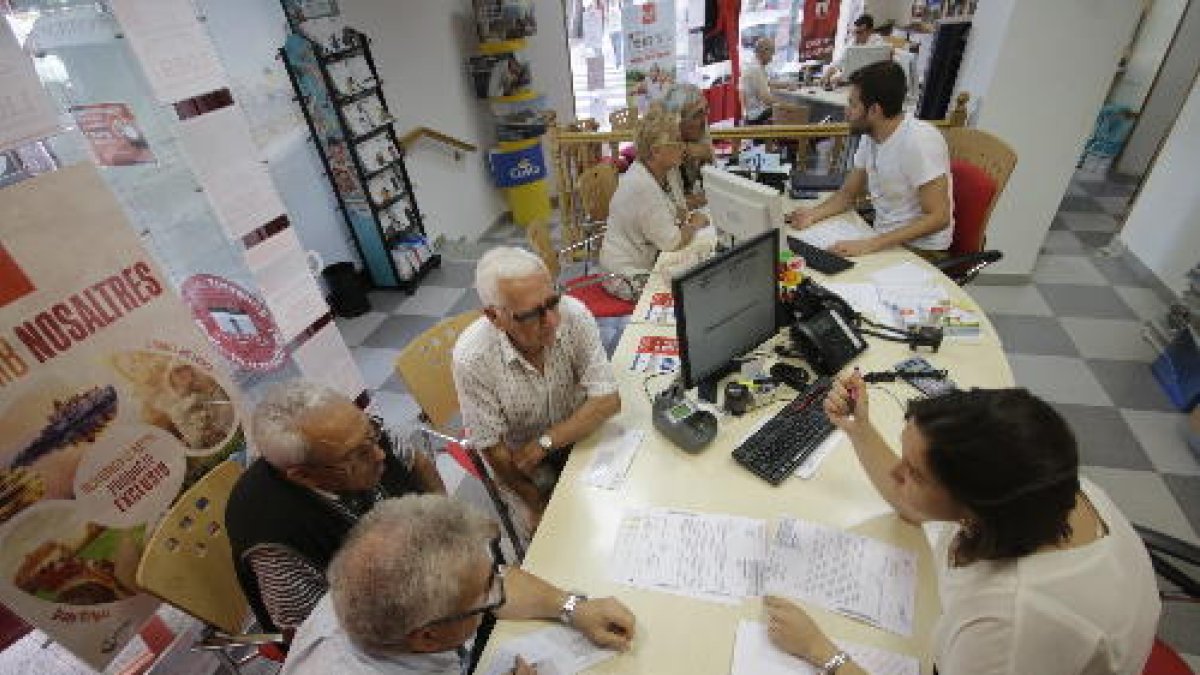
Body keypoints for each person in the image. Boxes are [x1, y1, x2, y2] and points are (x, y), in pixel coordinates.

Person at [764, 379, 1160, 675]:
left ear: (972, 507)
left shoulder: (1009, 621)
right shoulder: (1041, 487)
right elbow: (911, 502)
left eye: (914, 473)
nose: (897, 474)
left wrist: (820, 649)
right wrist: (860, 430)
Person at [282, 495, 636, 674]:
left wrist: (573, 606)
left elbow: (489, 579)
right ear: (428, 637)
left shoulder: (370, 581)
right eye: (489, 594)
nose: (501, 589)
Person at [225, 380, 446, 634]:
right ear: (304, 476)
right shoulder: (274, 538)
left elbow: (417, 462)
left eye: (371, 434)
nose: (379, 454)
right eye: (357, 456)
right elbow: (311, 631)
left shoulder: (356, 434)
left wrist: (442, 516)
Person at [452, 247, 621, 522]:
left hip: (578, 431)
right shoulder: (472, 359)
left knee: (613, 509)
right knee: (550, 540)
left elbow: (607, 400)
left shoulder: (574, 314)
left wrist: (544, 443)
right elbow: (494, 451)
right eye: (531, 315)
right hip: (525, 464)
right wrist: (535, 503)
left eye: (552, 301)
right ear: (494, 317)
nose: (552, 321)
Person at [787, 60, 953, 257]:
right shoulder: (871, 136)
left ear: (874, 110)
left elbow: (939, 217)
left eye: (853, 105)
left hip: (921, 249)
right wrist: (812, 215)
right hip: (883, 236)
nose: (846, 111)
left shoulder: (920, 141)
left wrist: (871, 244)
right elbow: (848, 193)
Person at [599, 110, 710, 300]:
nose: (683, 147)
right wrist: (695, 224)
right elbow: (672, 241)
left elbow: (681, 211)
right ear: (656, 151)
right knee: (695, 293)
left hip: (649, 258)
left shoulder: (667, 170)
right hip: (626, 275)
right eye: (676, 142)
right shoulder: (641, 185)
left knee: (701, 266)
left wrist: (686, 222)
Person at [658, 83, 714, 208]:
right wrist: (704, 199)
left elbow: (716, 183)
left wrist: (707, 156)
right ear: (677, 121)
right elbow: (669, 205)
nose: (704, 120)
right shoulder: (663, 146)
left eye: (705, 111)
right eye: (696, 115)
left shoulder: (701, 128)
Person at [821, 14, 888, 87]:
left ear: (870, 31)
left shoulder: (878, 44)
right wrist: (828, 73)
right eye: (855, 32)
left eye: (860, 33)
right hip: (852, 80)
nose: (857, 36)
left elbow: (878, 67)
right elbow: (840, 61)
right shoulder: (853, 42)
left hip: (871, 82)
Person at [739, 37, 779, 126]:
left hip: (750, 114)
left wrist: (786, 85)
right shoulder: (756, 69)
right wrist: (783, 105)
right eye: (771, 54)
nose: (771, 59)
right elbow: (766, 99)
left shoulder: (751, 65)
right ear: (764, 51)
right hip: (756, 116)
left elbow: (766, 83)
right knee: (789, 114)